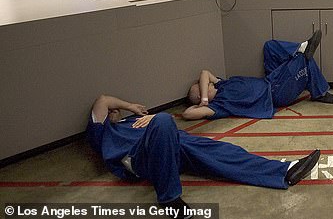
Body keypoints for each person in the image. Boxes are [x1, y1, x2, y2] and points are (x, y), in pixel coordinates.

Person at [87, 94, 320, 219]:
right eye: (112, 112)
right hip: (139, 157)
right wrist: (132, 107)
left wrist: (143, 118)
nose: (114, 111)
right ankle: (169, 199)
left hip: (174, 146)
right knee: (164, 119)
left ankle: (284, 171)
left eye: (117, 110)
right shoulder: (103, 132)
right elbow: (102, 100)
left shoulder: (130, 122)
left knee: (222, 152)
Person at [182, 30, 333, 121]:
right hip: (274, 93)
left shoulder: (220, 84)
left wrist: (204, 96)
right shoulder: (219, 105)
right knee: (302, 60)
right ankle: (320, 91)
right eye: (205, 88)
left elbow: (204, 73)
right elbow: (187, 114)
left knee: (270, 46)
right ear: (203, 96)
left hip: (269, 79)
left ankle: (300, 47)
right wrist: (203, 102)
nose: (209, 84)